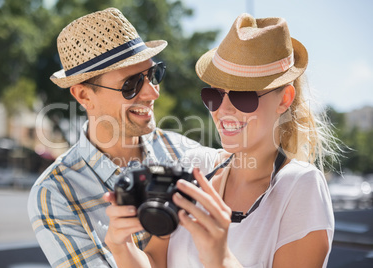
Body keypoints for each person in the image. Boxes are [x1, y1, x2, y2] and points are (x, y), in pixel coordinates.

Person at [104, 13, 339, 268]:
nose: (223, 110)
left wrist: (220, 258)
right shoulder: (196, 166)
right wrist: (121, 246)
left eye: (243, 96)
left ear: (284, 99)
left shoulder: (301, 185)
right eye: (214, 95)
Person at [28, 8, 201, 267]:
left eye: (154, 75)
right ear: (84, 96)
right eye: (131, 84)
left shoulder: (189, 154)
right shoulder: (55, 193)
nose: (153, 93)